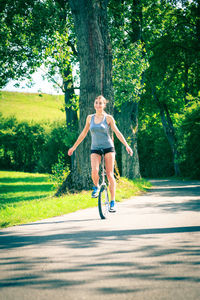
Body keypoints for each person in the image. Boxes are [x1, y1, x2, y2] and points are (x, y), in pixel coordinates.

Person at [68, 95, 133, 212]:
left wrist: (127, 145)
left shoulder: (108, 118)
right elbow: (83, 133)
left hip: (108, 147)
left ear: (104, 105)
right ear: (94, 104)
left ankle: (112, 202)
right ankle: (96, 186)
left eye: (100, 103)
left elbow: (117, 133)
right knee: (94, 170)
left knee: (109, 174)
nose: (98, 105)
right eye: (96, 103)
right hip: (95, 148)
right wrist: (74, 147)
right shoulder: (89, 118)